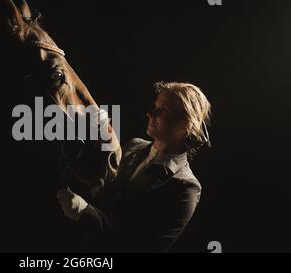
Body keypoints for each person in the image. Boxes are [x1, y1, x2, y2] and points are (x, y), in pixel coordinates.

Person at [57, 82, 212, 252]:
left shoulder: (186, 188)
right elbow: (100, 189)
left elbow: (140, 247)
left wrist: (85, 211)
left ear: (186, 124)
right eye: (155, 106)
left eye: (163, 111)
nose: (150, 113)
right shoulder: (133, 146)